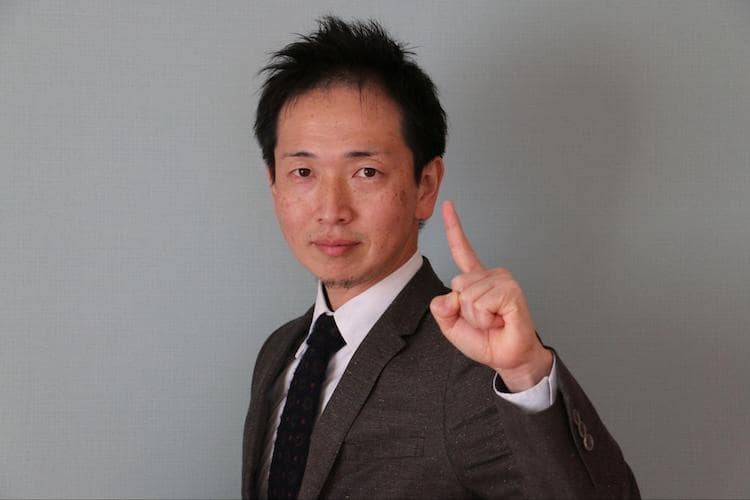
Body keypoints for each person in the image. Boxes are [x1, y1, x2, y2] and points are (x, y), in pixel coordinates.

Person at [242, 16, 639, 500]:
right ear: (274, 183)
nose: (331, 210)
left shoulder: (472, 361)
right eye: (303, 172)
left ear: (425, 186)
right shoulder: (280, 352)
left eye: (366, 172)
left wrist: (525, 374)